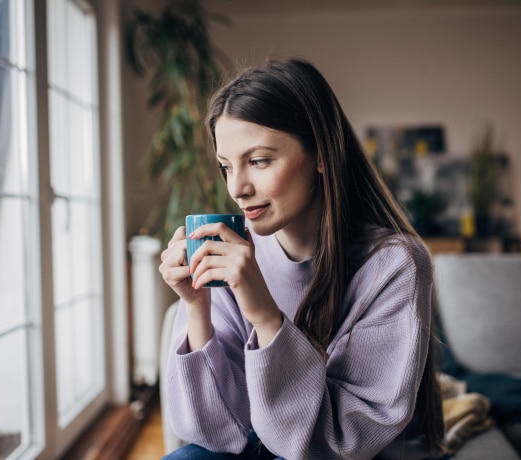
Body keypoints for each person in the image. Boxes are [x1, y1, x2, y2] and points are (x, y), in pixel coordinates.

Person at [159, 58, 444, 460]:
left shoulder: (394, 265)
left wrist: (265, 318)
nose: (237, 188)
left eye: (258, 161)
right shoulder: (233, 254)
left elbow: (340, 443)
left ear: (322, 155)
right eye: (226, 166)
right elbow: (217, 435)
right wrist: (196, 307)